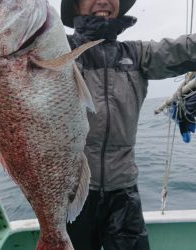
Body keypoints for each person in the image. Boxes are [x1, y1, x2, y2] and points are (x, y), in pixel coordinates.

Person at [60, 0, 196, 249]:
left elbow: (184, 49)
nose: (103, 1)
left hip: (124, 194)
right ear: (75, 6)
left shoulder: (137, 55)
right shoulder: (59, 51)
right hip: (70, 193)